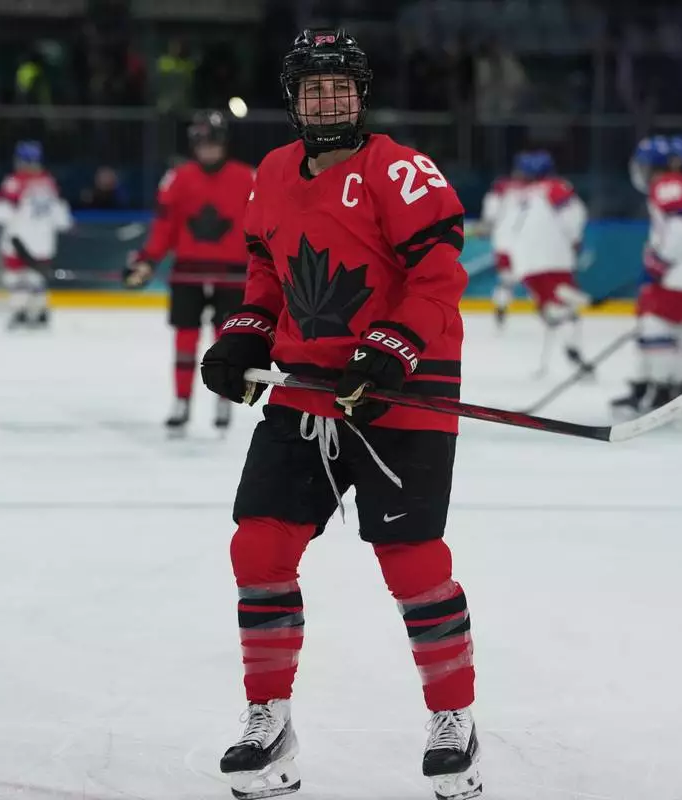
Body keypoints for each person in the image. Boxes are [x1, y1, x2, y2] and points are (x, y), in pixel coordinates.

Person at [198, 29, 482, 800]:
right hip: (309, 388)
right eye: (312, 87)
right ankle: (271, 723)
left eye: (340, 86)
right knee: (257, 548)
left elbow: (439, 272)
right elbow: (268, 273)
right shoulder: (272, 172)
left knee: (413, 562)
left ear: (361, 95)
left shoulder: (398, 168)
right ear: (293, 100)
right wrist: (245, 334)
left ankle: (455, 724)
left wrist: (391, 349)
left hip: (406, 387)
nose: (328, 98)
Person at [124, 110, 255, 435]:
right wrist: (147, 260)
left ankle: (225, 399)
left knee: (227, 341)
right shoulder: (178, 178)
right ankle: (181, 402)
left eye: (213, 142)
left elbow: (262, 228)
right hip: (188, 272)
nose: (207, 149)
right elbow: (164, 227)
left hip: (234, 274)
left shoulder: (249, 178)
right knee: (185, 339)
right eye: (201, 143)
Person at [611, 135, 682, 415]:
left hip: (681, 275)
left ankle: (663, 391)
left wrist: (661, 261)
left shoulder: (670, 184)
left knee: (654, 326)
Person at [503, 150, 591, 374]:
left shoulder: (519, 194)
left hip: (527, 266)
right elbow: (575, 215)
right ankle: (573, 350)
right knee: (564, 308)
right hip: (554, 261)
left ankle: (569, 347)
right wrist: (574, 238)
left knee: (553, 309)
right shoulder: (554, 186)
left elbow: (508, 230)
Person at [0, 140, 73, 330]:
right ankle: (40, 311)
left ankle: (21, 311)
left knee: (16, 276)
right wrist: (65, 223)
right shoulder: (48, 182)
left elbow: (5, 209)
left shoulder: (16, 181)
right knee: (37, 278)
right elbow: (59, 212)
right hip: (43, 242)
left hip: (19, 240)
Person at [480, 152, 531, 325]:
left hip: (510, 242)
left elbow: (491, 213)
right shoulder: (535, 188)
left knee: (509, 278)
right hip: (516, 242)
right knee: (511, 278)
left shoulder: (502, 188)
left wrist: (487, 224)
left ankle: (502, 305)